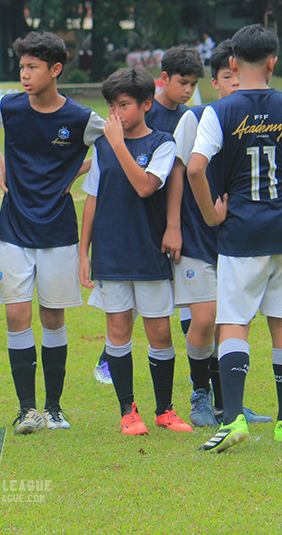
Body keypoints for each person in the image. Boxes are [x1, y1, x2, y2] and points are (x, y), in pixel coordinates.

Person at [167, 40, 282, 428]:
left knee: (234, 321)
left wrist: (211, 217)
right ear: (273, 62)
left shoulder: (220, 111)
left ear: (234, 62)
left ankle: (233, 419)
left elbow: (196, 169)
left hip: (243, 231)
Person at [0, 31, 105, 434]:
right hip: (14, 228)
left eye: (32, 67)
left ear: (55, 70)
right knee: (16, 314)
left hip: (58, 232)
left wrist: (75, 171)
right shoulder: (9, 107)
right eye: (21, 67)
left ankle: (53, 408)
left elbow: (111, 149)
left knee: (52, 317)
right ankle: (26, 409)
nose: (24, 75)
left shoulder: (81, 118)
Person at [79, 66, 192, 435]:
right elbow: (92, 199)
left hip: (148, 251)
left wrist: (117, 146)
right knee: (117, 328)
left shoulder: (162, 143)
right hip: (111, 254)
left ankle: (165, 411)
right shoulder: (103, 146)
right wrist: (84, 252)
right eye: (112, 106)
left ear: (145, 104)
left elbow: (146, 186)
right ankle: (128, 412)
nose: (117, 114)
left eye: (124, 105)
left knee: (160, 331)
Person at [93, 45, 203, 384]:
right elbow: (112, 160)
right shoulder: (136, 114)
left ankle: (191, 381)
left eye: (193, 85)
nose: (187, 91)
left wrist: (173, 225)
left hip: (167, 220)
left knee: (176, 304)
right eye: (182, 82)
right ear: (162, 81)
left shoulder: (184, 120)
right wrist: (84, 171)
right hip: (131, 226)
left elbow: (177, 175)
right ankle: (109, 360)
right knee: (125, 312)